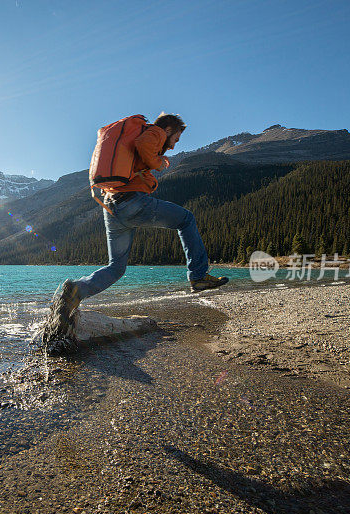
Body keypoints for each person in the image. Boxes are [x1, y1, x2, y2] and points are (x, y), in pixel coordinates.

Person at [46, 113, 228, 346]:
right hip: (132, 203)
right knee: (186, 219)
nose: (174, 145)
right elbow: (144, 145)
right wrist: (157, 163)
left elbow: (140, 152)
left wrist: (153, 163)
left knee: (116, 267)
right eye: (177, 138)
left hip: (112, 207)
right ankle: (199, 276)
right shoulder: (155, 132)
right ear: (170, 130)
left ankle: (74, 292)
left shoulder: (142, 137)